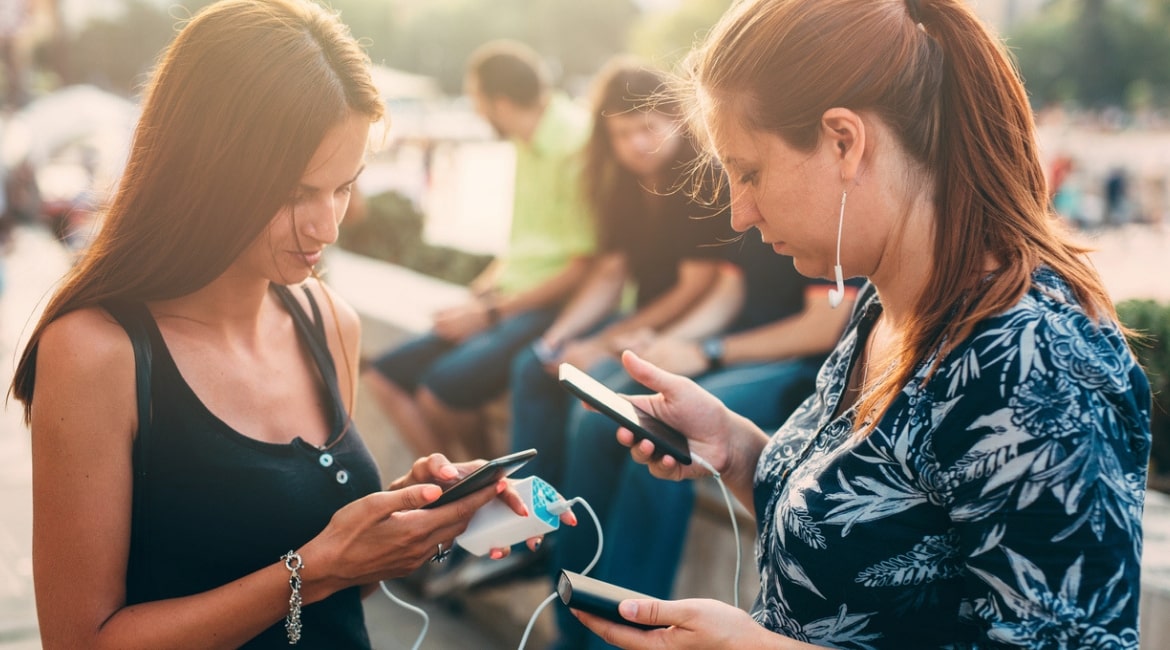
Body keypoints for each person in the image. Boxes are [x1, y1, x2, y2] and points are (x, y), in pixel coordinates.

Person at [571, 0, 1152, 648]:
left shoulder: (1036, 362)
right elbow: (863, 529)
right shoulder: (883, 303)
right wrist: (734, 449)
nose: (739, 213)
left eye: (750, 172)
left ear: (844, 141)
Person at [10, 2, 547, 647]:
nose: (328, 227)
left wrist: (397, 523)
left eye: (343, 187)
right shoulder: (97, 352)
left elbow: (337, 593)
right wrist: (315, 569)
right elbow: (79, 641)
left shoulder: (329, 321)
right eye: (296, 194)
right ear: (205, 169)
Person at [548, 238, 858, 650]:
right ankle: (572, 627)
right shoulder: (751, 225)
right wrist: (666, 343)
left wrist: (707, 351)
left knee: (665, 442)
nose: (738, 218)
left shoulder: (835, 229)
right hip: (729, 348)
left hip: (793, 366)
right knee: (596, 421)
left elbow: (822, 325)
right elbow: (729, 291)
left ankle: (618, 641)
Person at [362, 39, 596, 462]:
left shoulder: (575, 144)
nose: (476, 111)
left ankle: (482, 487)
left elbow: (585, 266)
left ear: (500, 102)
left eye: (476, 100)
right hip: (509, 299)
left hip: (553, 307)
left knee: (438, 395)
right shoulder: (527, 139)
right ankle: (461, 488)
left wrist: (488, 313)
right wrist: (478, 294)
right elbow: (523, 247)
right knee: (382, 376)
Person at [508, 59, 727, 490]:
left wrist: (601, 343)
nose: (636, 144)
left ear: (676, 118)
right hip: (640, 322)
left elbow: (694, 288)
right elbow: (610, 274)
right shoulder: (624, 187)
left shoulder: (702, 179)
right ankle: (531, 504)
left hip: (691, 329)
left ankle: (571, 517)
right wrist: (559, 336)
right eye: (621, 134)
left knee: (590, 401)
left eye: (647, 127)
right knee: (533, 366)